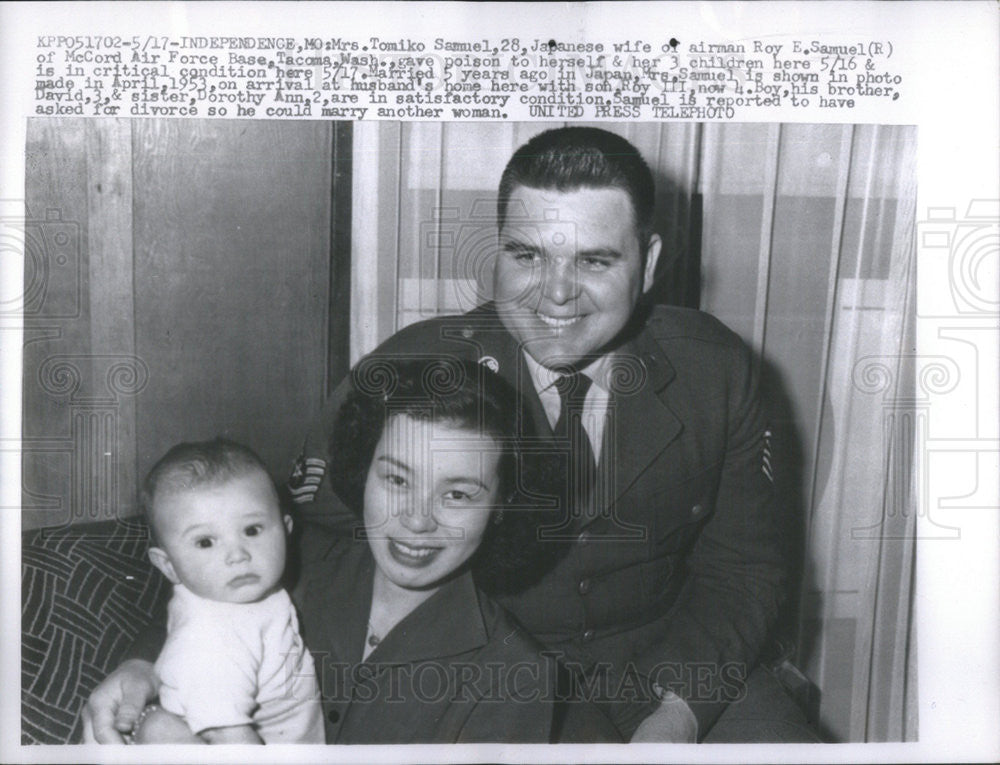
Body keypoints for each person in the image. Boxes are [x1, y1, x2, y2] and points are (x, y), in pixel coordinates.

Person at [87, 126, 811, 744]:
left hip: (673, 665)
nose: (554, 293)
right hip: (477, 684)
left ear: (648, 263)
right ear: (495, 250)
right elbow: (265, 540)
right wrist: (156, 660)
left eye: (594, 260)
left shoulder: (716, 372)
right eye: (527, 256)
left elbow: (744, 570)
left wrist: (679, 711)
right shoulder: (411, 370)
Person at [88, 360, 620, 744]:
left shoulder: (515, 681)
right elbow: (206, 604)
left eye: (457, 494)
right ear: (363, 473)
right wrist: (139, 667)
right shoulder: (283, 561)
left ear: (501, 506)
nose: (416, 519)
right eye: (396, 479)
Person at [136, 438, 324, 744]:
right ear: (168, 566)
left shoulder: (236, 594)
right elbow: (229, 737)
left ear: (286, 531)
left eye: (252, 530)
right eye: (206, 542)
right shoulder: (209, 641)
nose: (238, 555)